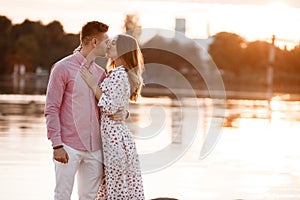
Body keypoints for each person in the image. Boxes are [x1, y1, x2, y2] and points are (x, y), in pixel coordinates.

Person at [44, 21, 126, 200]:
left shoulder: (100, 73)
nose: (108, 45)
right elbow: (51, 108)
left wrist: (124, 113)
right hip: (68, 146)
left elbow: (110, 104)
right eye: (106, 41)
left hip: (95, 148)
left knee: (89, 196)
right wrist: (57, 145)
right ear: (95, 42)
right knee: (62, 195)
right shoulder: (62, 68)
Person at [80, 34, 145, 199]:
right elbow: (118, 104)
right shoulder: (118, 73)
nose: (109, 45)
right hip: (118, 136)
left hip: (115, 138)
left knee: (115, 185)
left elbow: (109, 107)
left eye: (114, 43)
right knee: (117, 184)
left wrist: (93, 84)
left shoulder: (118, 74)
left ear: (123, 50)